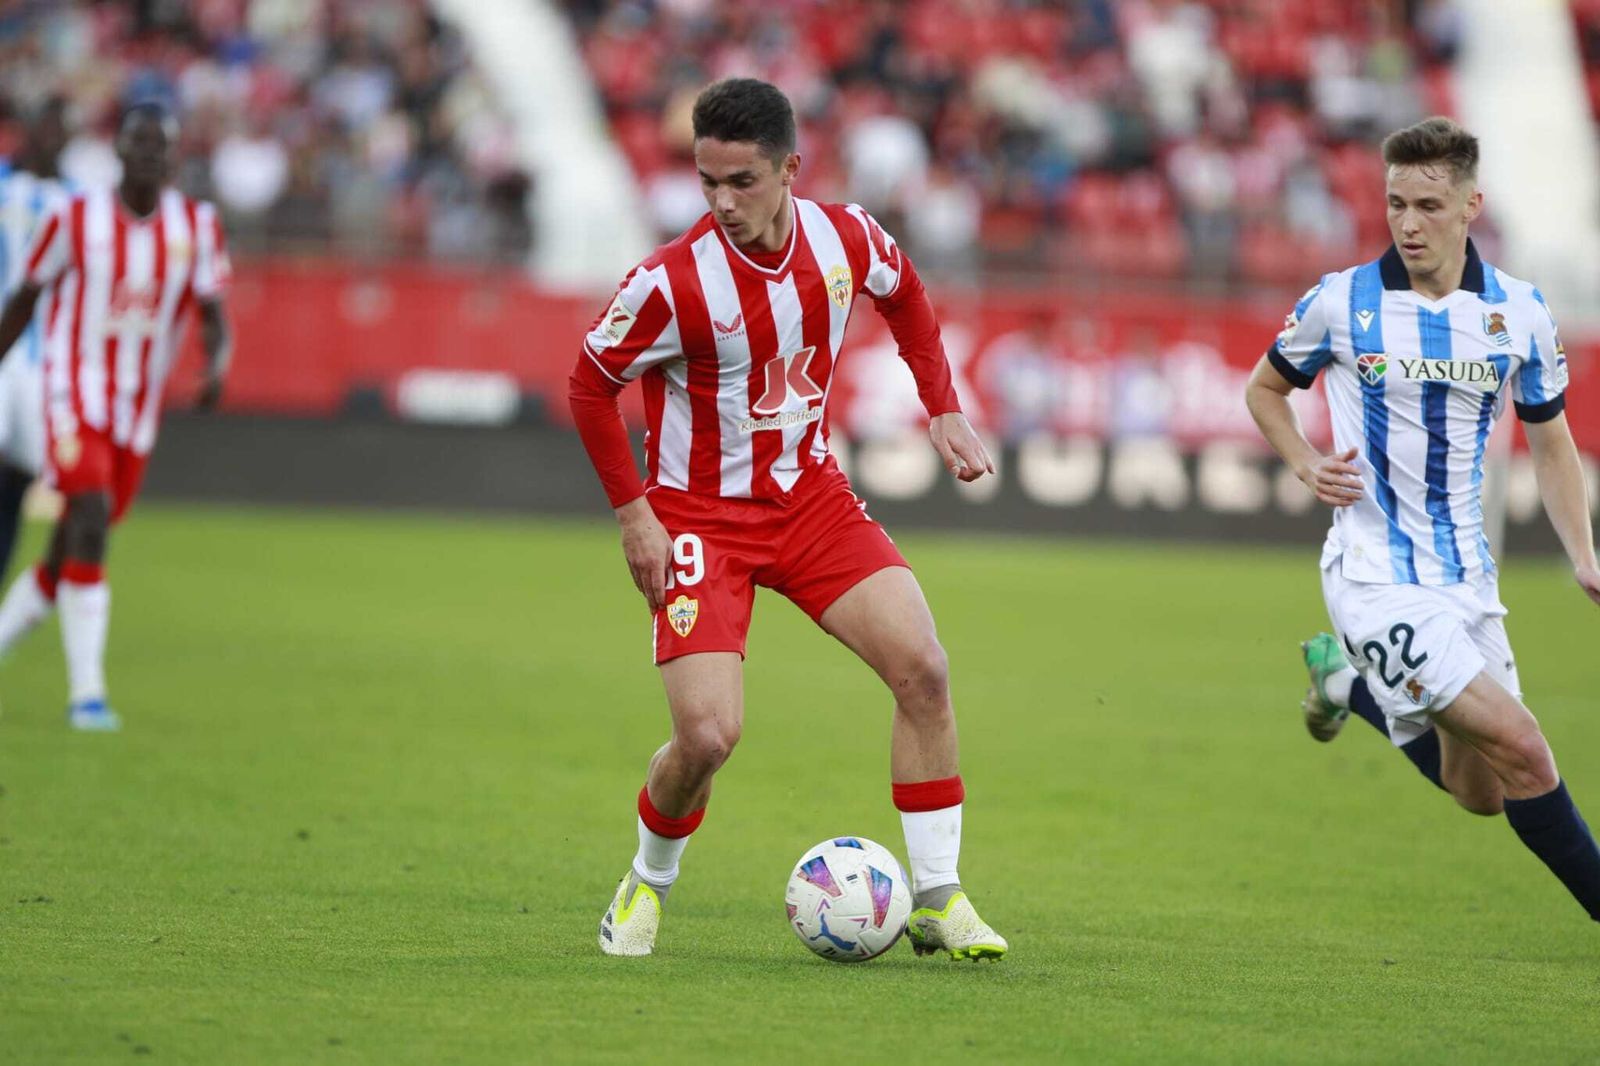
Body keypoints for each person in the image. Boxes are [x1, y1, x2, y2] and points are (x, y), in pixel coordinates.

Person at [569, 78, 1008, 960]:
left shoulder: (845, 239)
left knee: (923, 668)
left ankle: (938, 898)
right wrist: (635, 515)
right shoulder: (670, 282)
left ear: (789, 170)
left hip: (808, 499)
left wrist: (944, 405)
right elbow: (589, 383)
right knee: (707, 735)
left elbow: (909, 293)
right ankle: (646, 884)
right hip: (698, 519)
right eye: (707, 183)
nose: (723, 202)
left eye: (742, 181)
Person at [1245, 117, 1600, 922]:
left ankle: (1345, 682)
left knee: (1481, 793)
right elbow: (1263, 390)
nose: (1408, 223)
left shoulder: (1520, 314)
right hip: (1374, 579)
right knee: (1526, 752)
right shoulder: (1342, 302)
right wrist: (1305, 462)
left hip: (1467, 581)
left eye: (1429, 205)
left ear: (1472, 204)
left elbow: (1550, 441)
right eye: (1396, 203)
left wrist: (1584, 554)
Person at [0, 103, 233, 731]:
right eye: (141, 144)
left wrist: (217, 364)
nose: (152, 156)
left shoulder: (197, 227)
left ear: (176, 158)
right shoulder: (74, 219)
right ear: (121, 153)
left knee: (66, 550)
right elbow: (24, 299)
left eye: (163, 146)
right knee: (93, 516)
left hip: (137, 408)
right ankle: (88, 696)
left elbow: (213, 313)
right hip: (72, 392)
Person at [0, 98, 72, 578]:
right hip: (4, 352)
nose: (51, 136)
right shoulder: (7, 186)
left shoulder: (81, 200)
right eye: (44, 126)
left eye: (59, 129)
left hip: (43, 361)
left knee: (17, 484)